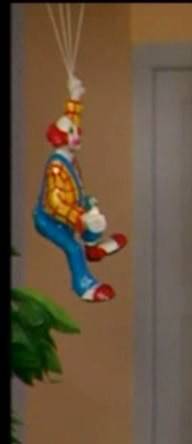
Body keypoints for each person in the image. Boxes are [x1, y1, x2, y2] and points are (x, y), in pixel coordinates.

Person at [34, 75, 127, 302]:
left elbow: (71, 119)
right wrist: (79, 217)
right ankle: (85, 286)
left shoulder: (68, 156)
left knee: (93, 210)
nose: (77, 135)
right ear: (61, 139)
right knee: (73, 248)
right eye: (71, 134)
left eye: (76, 132)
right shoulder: (56, 167)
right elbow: (55, 202)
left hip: (71, 207)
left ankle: (92, 249)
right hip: (49, 220)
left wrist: (74, 96)